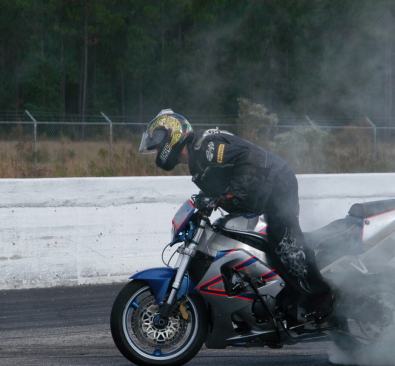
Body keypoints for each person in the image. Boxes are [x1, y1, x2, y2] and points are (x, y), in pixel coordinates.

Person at [139, 109, 336, 321]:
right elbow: (220, 190)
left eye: (158, 142)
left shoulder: (208, 146)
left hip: (277, 185)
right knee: (239, 236)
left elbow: (252, 157)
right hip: (258, 195)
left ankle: (323, 296)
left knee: (286, 245)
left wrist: (235, 193)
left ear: (173, 135)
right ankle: (276, 296)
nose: (157, 149)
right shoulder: (197, 164)